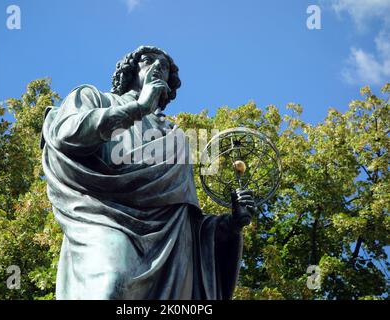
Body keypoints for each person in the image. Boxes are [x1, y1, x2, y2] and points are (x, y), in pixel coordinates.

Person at [41, 45, 256, 299]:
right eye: (147, 61)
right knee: (112, 285)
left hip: (171, 248)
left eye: (163, 66)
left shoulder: (176, 139)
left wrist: (230, 226)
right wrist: (138, 108)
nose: (156, 67)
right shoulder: (94, 98)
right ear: (130, 71)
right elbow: (66, 134)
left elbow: (186, 219)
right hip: (104, 215)